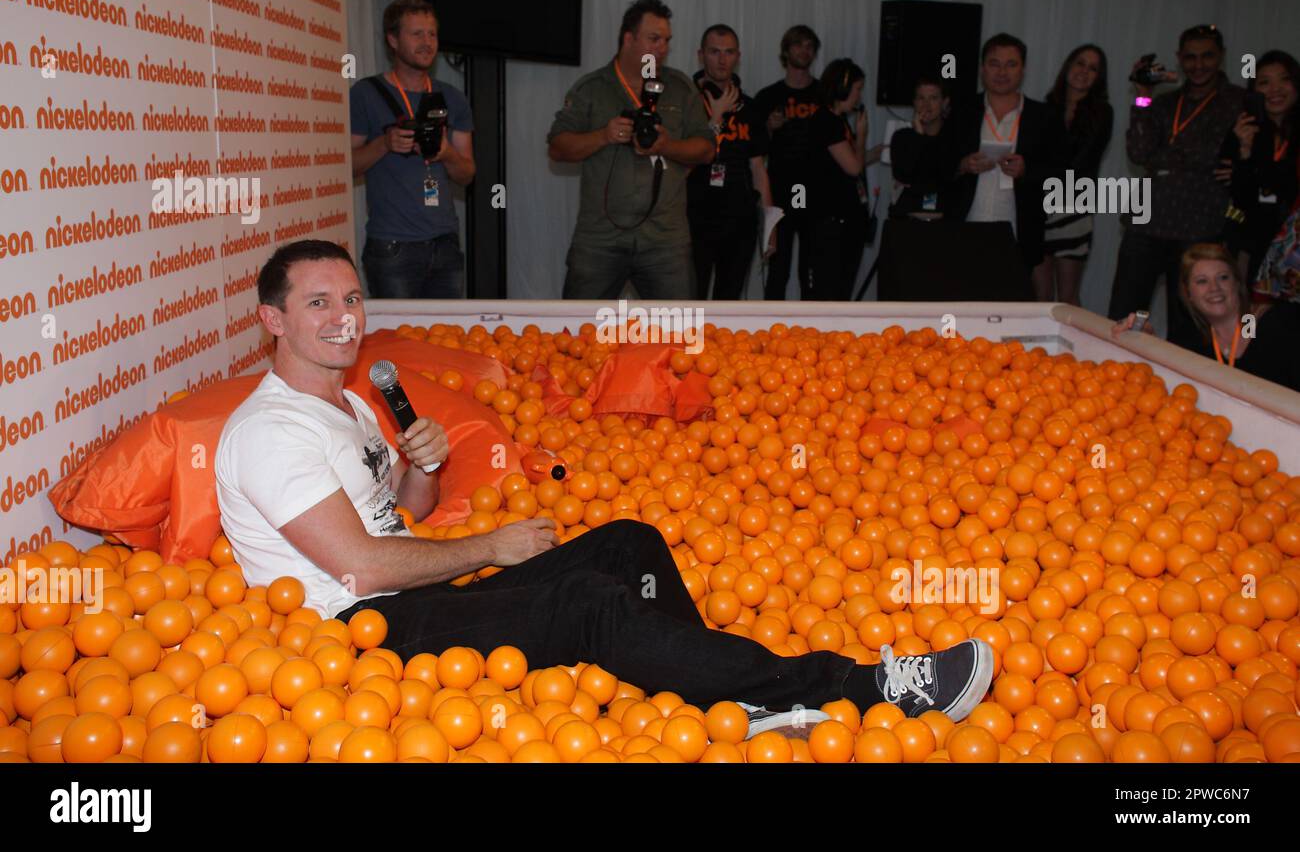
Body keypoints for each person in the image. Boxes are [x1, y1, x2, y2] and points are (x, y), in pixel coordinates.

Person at [216, 240, 996, 732]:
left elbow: (399, 522)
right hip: (355, 640)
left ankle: (722, 693)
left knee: (630, 543)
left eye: (352, 298)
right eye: (318, 303)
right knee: (587, 604)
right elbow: (364, 567)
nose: (345, 318)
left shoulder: (351, 403)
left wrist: (421, 468)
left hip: (406, 600)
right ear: (273, 320)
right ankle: (859, 687)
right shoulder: (271, 432)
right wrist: (491, 546)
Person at [547, 0, 714, 300]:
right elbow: (557, 148)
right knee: (580, 336)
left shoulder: (680, 87)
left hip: (665, 241)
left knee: (676, 337)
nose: (662, 48)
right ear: (628, 38)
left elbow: (706, 149)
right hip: (600, 239)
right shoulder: (592, 88)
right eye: (654, 39)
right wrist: (603, 135)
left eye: (666, 40)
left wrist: (668, 146)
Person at [1108, 25, 1248, 344]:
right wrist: (1143, 95)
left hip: (1197, 226)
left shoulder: (1238, 101)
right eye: (1190, 57)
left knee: (1188, 324)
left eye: (1207, 56)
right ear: (1179, 59)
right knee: (1123, 315)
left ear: (1221, 57)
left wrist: (1165, 157)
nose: (1198, 65)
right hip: (1146, 222)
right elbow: (1139, 151)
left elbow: (1210, 152)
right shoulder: (1164, 102)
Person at [350, 0, 475, 299]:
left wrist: (445, 153)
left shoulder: (452, 97)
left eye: (432, 34)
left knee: (446, 341)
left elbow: (467, 173)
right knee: (401, 344)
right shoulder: (366, 94)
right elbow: (348, 166)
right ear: (393, 40)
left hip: (445, 243)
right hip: (393, 247)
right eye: (416, 34)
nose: (427, 43)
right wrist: (385, 143)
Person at [940, 33, 1068, 282]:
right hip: (965, 228)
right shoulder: (963, 111)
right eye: (994, 64)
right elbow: (938, 163)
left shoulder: (1044, 117)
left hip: (1017, 235)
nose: (1002, 72)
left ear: (1023, 70)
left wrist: (1026, 170)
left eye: (1011, 64)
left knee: (1007, 315)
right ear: (982, 69)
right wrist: (963, 165)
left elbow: (1062, 172)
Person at [1114, 243, 1300, 392]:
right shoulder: (1189, 340)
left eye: (1223, 278)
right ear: (1188, 294)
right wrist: (1146, 341)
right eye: (1202, 281)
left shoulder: (1278, 324)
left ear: (1237, 283)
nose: (1214, 288)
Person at [686, 24, 775, 299]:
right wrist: (715, 118)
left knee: (730, 303)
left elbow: (758, 168)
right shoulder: (685, 102)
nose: (722, 59)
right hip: (695, 217)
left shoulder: (750, 108)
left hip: (739, 219)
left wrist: (771, 225)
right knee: (691, 299)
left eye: (729, 52)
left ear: (738, 56)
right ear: (701, 55)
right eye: (714, 52)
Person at [1037, 45, 1114, 305]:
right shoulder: (1046, 107)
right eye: (1080, 63)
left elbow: (1082, 160)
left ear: (1098, 78)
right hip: (1038, 209)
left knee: (1067, 299)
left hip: (1073, 207)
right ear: (1068, 66)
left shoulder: (1102, 112)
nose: (1084, 71)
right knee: (1040, 299)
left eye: (1093, 68)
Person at [753, 25, 824, 299]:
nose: (804, 51)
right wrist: (770, 128)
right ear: (786, 51)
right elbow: (752, 150)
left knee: (812, 271)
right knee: (778, 270)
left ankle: (814, 335)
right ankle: (773, 333)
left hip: (816, 192)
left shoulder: (824, 95)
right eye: (798, 45)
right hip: (780, 189)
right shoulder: (768, 97)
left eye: (809, 46)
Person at [1218, 50, 1299, 286]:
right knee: (1245, 311)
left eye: (1284, 79)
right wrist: (1244, 151)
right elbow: (1240, 197)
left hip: (1294, 241)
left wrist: (1253, 172)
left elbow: (1287, 188)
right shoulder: (1243, 129)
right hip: (1251, 238)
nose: (1275, 90)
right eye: (1264, 82)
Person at [801, 58, 872, 299]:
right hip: (830, 225)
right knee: (828, 291)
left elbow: (847, 162)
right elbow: (853, 167)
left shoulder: (839, 122)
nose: (859, 96)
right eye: (857, 89)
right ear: (842, 88)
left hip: (845, 221)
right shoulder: (826, 121)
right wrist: (862, 137)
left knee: (842, 290)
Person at [889, 76, 951, 219]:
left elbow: (942, 177)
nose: (926, 105)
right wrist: (918, 135)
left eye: (933, 98)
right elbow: (904, 174)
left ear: (945, 102)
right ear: (914, 102)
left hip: (945, 224)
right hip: (906, 220)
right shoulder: (901, 137)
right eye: (921, 98)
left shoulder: (953, 138)